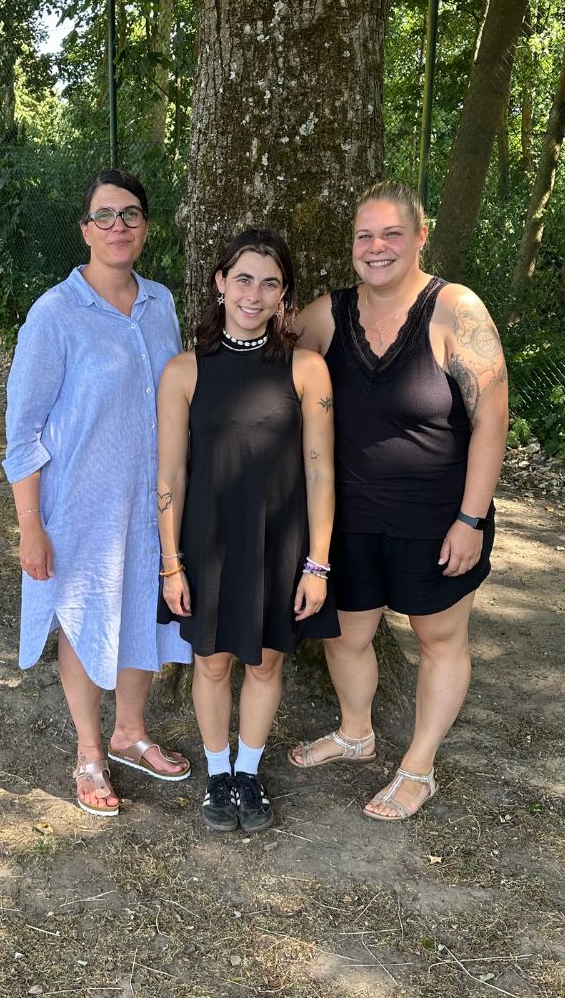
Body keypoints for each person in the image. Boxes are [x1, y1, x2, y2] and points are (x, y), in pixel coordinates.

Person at [289, 180, 509, 821]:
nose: (377, 247)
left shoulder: (456, 311)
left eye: (391, 234)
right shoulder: (325, 316)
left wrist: (471, 518)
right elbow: (262, 361)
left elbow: (491, 420)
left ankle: (418, 767)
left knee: (438, 636)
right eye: (365, 235)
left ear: (420, 236)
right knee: (344, 634)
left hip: (437, 517)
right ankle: (355, 733)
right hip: (347, 517)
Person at [3, 169, 192, 818]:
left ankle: (129, 733)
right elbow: (23, 432)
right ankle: (88, 751)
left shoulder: (161, 303)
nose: (118, 227)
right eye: (104, 216)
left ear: (146, 227)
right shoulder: (55, 315)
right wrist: (31, 525)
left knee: (143, 614)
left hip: (152, 506)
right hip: (78, 509)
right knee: (84, 624)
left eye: (130, 214)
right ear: (85, 230)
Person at [156, 228, 339, 833]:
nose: (253, 295)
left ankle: (249, 771)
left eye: (269, 283)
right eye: (242, 280)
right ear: (220, 283)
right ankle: (217, 773)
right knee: (211, 664)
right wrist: (171, 563)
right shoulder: (184, 371)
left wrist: (317, 563)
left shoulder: (307, 369)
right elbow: (171, 475)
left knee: (263, 665)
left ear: (285, 294)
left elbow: (320, 471)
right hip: (207, 544)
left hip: (279, 544)